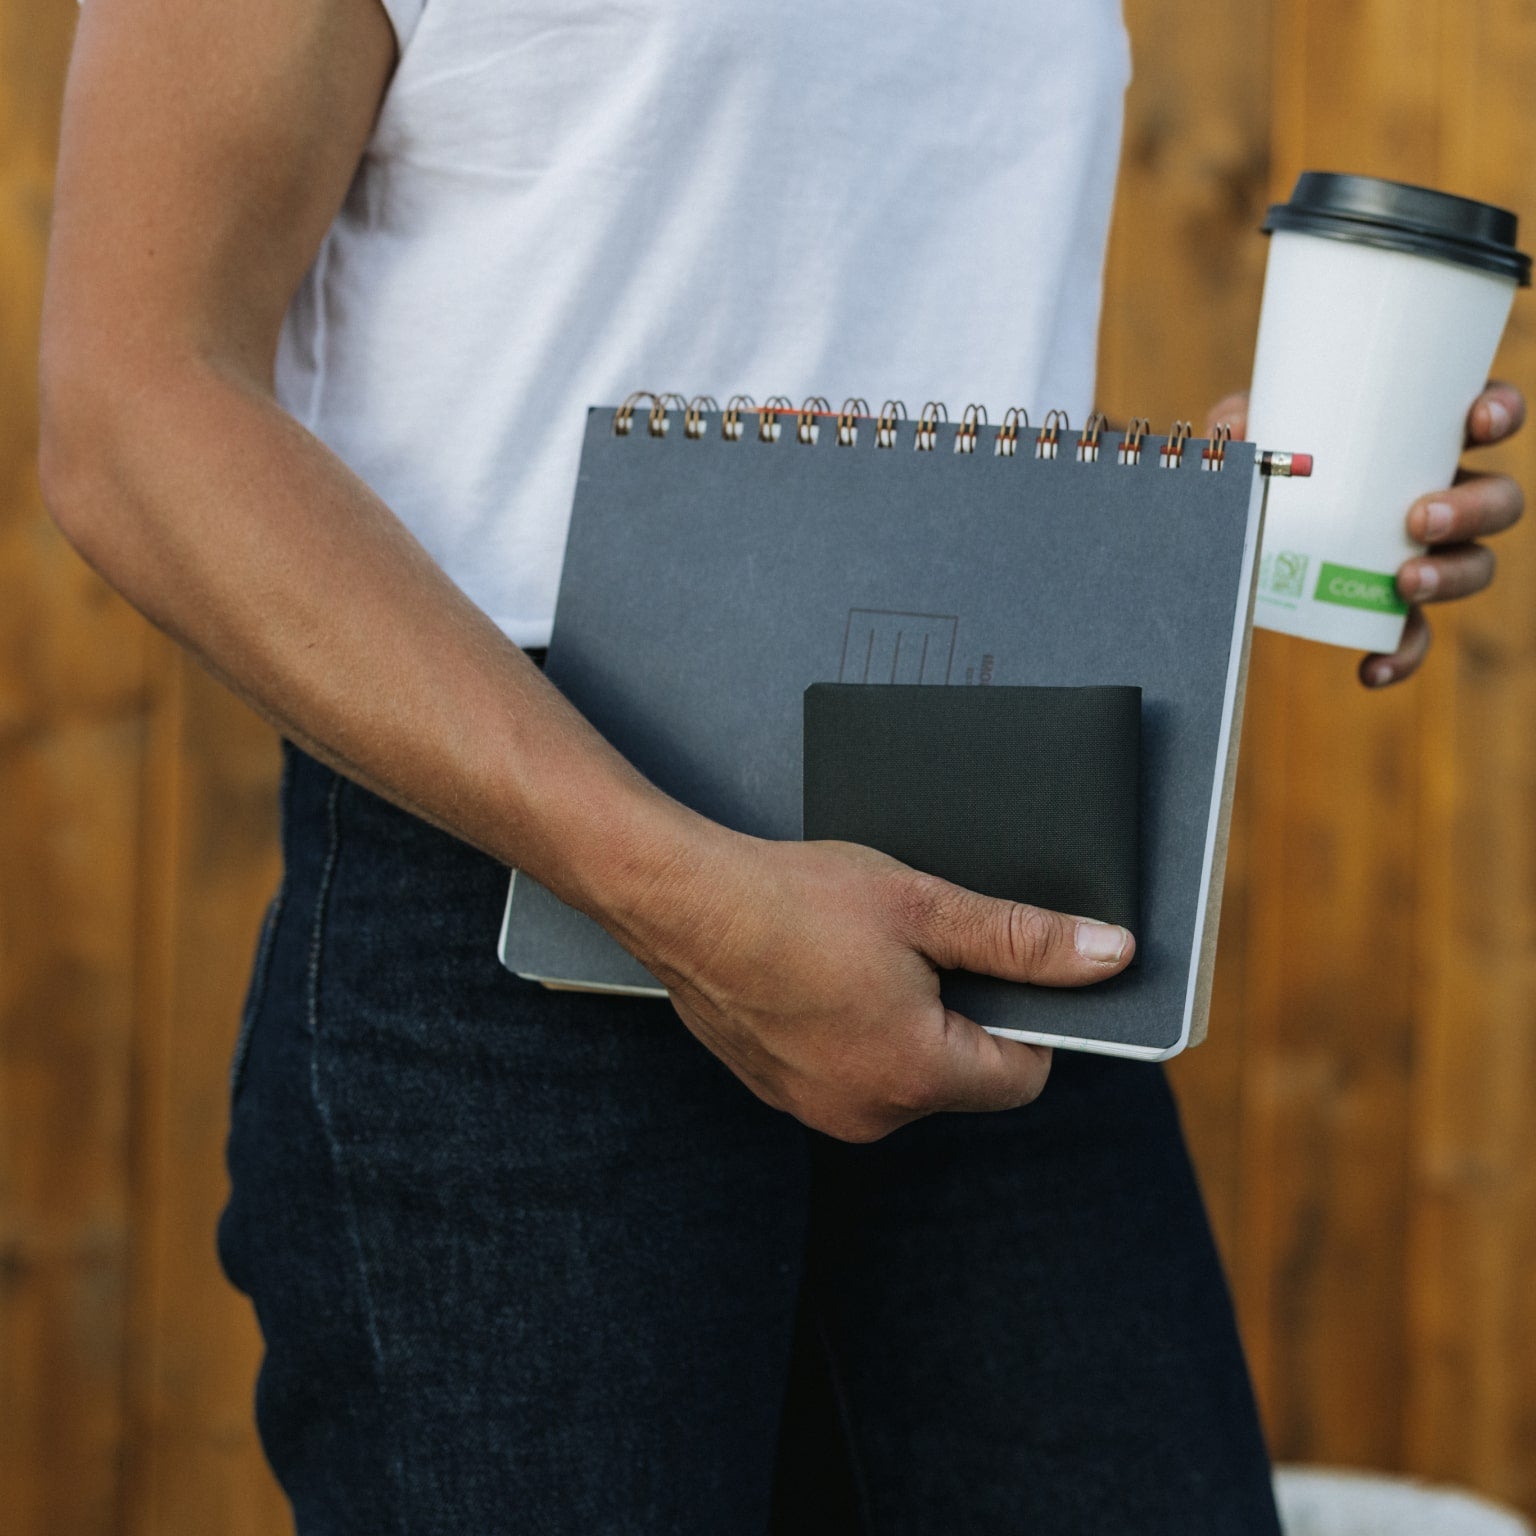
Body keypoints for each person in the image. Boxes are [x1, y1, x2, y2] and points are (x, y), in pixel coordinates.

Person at [39, 0, 1525, 1531]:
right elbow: (133, 408)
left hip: (987, 857)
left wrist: (1195, 525)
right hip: (527, 908)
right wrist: (665, 887)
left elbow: (870, 318)